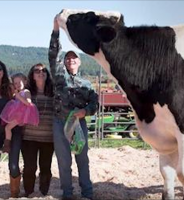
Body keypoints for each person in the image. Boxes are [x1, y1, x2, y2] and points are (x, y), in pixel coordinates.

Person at [48, 16, 98, 200]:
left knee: (82, 160)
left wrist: (85, 111)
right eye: (68, 58)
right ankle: (67, 194)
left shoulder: (86, 83)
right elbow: (54, 54)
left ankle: (88, 193)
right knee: (63, 161)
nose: (70, 61)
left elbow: (95, 104)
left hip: (79, 124)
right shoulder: (59, 76)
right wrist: (56, 30)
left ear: (80, 62)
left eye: (74, 58)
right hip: (60, 122)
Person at [21, 63, 54, 197]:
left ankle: (43, 193)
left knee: (45, 168)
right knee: (29, 167)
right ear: (32, 75)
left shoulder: (54, 93)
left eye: (44, 70)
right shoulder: (27, 93)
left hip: (48, 138)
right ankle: (29, 192)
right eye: (37, 71)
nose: (41, 73)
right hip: (28, 137)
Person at [0, 61, 23, 198]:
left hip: (12, 131)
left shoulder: (9, 88)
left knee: (13, 166)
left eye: (0, 69)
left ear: (3, 71)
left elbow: (20, 104)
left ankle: (14, 194)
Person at [0, 73, 39, 153]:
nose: (17, 85)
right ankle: (6, 144)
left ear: (24, 82)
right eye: (15, 83)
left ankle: (7, 145)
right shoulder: (18, 92)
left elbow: (28, 103)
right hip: (17, 114)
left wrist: (19, 97)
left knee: (7, 127)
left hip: (21, 115)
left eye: (19, 82)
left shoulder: (26, 91)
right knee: (7, 127)